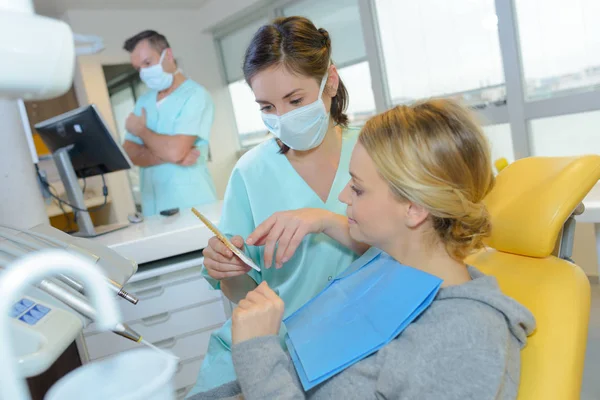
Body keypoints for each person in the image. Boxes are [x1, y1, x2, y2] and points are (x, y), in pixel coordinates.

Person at [190, 99, 536, 399]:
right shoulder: (390, 267)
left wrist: (258, 350)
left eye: (357, 188)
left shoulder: (464, 338)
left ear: (414, 208)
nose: (342, 197)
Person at [187, 17, 369, 396]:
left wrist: (323, 220)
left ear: (329, 81)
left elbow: (410, 248)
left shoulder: (376, 150)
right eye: (267, 106)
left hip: (356, 345)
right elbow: (244, 293)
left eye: (295, 100)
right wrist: (228, 269)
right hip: (273, 346)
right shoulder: (250, 172)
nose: (283, 118)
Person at [122, 30, 217, 216]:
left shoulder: (196, 96)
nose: (144, 72)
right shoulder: (144, 101)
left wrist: (141, 131)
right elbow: (129, 153)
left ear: (169, 55)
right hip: (153, 209)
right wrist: (173, 155)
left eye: (147, 63)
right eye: (138, 68)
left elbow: (175, 151)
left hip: (192, 206)